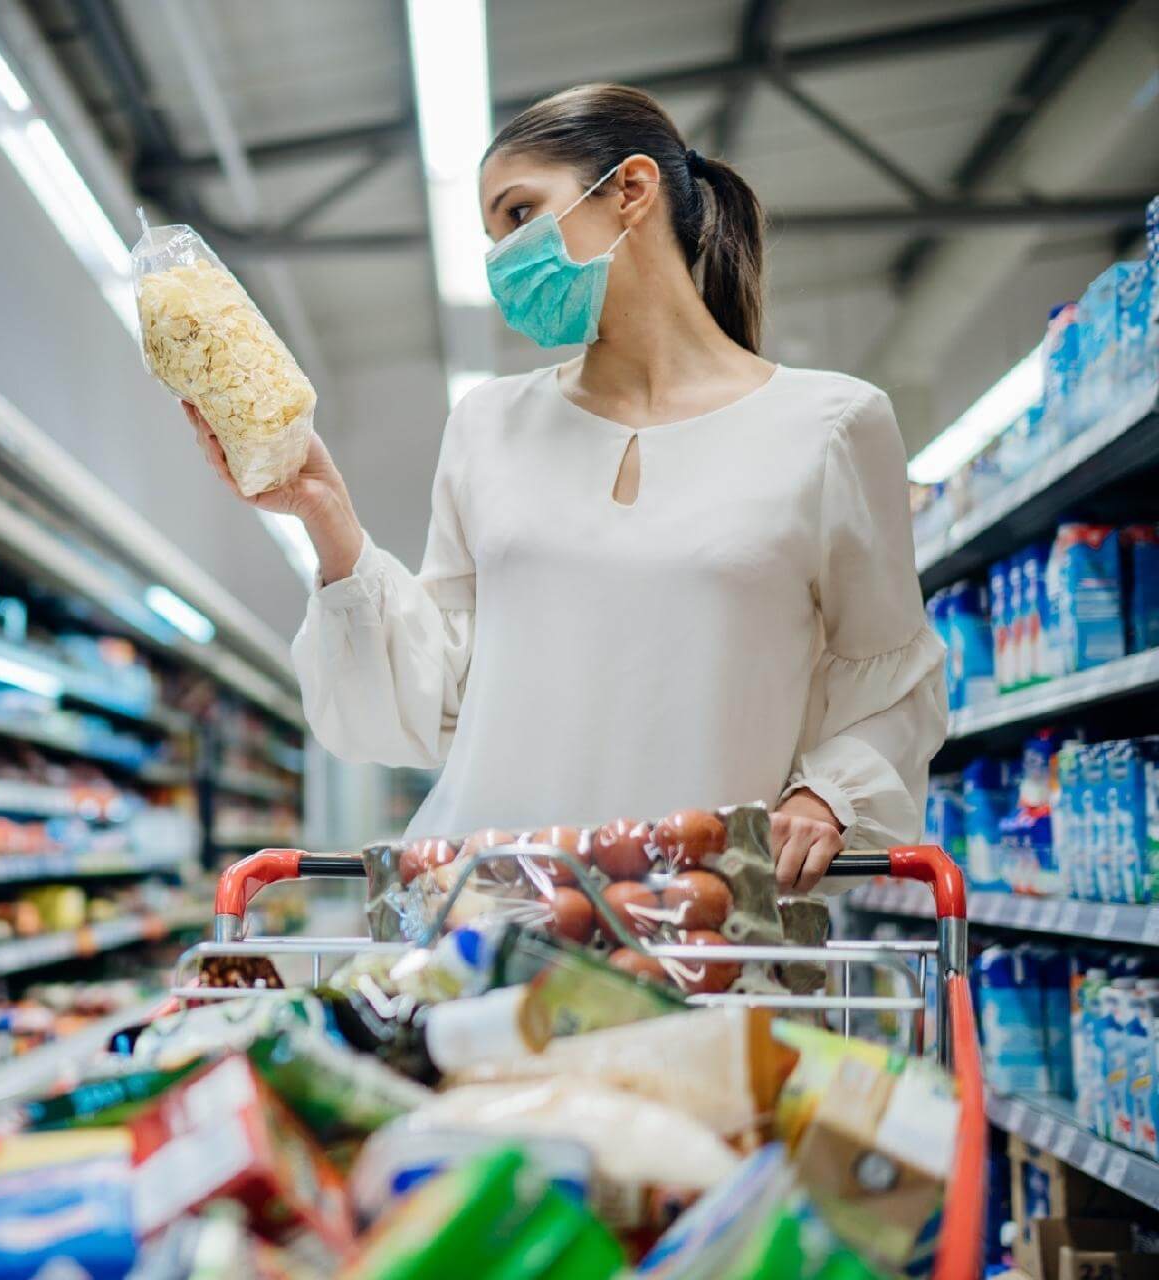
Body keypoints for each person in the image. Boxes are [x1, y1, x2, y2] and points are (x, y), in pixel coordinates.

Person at [184, 83, 946, 892]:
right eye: (491, 235)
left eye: (518, 215)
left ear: (631, 189)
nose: (503, 260)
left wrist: (828, 796)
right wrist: (328, 520)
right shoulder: (487, 425)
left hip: (703, 924)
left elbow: (893, 681)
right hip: (488, 917)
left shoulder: (831, 425)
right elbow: (435, 695)